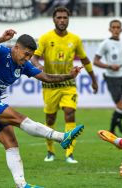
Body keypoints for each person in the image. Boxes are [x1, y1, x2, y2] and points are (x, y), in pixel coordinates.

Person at [0, 29, 84, 188]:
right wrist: (2, 38)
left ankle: (21, 185)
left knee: (11, 142)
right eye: (26, 54)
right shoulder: (2, 52)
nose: (28, 58)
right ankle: (61, 137)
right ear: (16, 48)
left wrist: (69, 76)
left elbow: (46, 77)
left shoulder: (24, 65)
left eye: (31, 55)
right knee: (18, 118)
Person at [31, 6, 98, 164]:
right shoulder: (45, 38)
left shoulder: (75, 39)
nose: (62, 20)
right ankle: (50, 151)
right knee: (50, 118)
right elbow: (34, 57)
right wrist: (38, 66)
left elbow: (85, 59)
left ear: (68, 19)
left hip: (68, 84)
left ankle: (70, 153)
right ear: (53, 19)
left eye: (65, 18)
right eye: (59, 17)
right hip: (50, 85)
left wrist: (93, 79)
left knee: (70, 113)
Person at [93, 19, 122, 135]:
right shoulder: (105, 44)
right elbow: (95, 61)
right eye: (113, 27)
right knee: (121, 106)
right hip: (112, 78)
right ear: (110, 29)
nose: (116, 30)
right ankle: (112, 130)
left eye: (118, 27)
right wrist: (109, 66)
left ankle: (118, 119)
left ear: (121, 29)